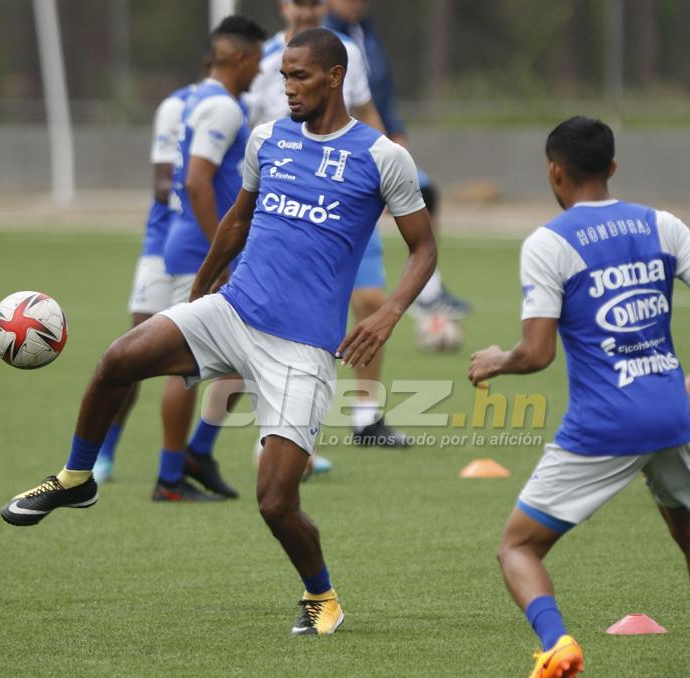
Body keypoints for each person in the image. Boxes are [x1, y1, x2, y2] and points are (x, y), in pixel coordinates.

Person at [0, 27, 437, 635]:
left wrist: (387, 313)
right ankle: (76, 479)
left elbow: (424, 249)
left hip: (302, 347)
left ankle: (323, 597)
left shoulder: (383, 156)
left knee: (276, 502)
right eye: (283, 76)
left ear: (335, 77)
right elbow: (238, 220)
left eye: (300, 76)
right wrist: (202, 286)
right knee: (117, 360)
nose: (287, 88)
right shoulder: (268, 137)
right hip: (232, 311)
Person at [468, 117, 690, 678]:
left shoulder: (549, 243)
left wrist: (497, 359)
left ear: (554, 171)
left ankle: (557, 644)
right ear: (612, 168)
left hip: (603, 424)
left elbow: (537, 352)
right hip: (670, 410)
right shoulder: (661, 224)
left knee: (517, 548)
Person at [196, 0, 411, 451]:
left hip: (346, 197)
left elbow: (367, 110)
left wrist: (392, 162)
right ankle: (224, 441)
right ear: (285, 5)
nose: (308, 10)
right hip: (286, 201)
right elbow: (246, 123)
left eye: (316, 2)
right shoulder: (267, 58)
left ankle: (367, 417)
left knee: (371, 299)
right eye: (301, 2)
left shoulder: (343, 51)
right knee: (260, 319)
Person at [145, 16, 267, 501]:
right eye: (258, 59)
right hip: (200, 251)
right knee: (186, 366)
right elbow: (197, 181)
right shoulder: (223, 107)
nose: (262, 70)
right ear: (241, 58)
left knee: (246, 356)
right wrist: (221, 253)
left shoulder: (196, 99)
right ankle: (171, 477)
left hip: (191, 245)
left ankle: (195, 453)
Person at [326, 0, 471, 318]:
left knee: (425, 192)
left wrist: (395, 134)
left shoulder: (365, 32)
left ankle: (428, 292)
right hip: (346, 151)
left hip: (377, 142)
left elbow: (380, 93)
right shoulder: (327, 40)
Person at [90, 80, 198, 485]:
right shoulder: (179, 107)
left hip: (208, 249)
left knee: (202, 360)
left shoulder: (254, 106)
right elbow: (162, 184)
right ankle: (102, 454)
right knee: (135, 353)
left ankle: (189, 459)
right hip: (162, 246)